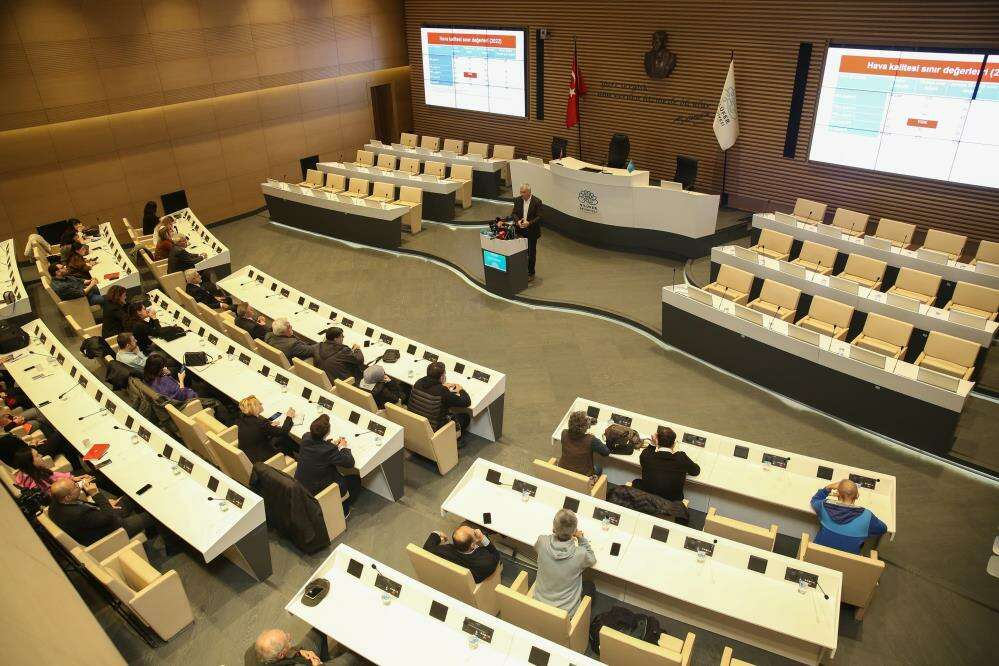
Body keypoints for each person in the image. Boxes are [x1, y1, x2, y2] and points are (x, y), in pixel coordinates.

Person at [48, 477, 157, 545]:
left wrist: (105, 504)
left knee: (133, 496)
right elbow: (110, 517)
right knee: (153, 515)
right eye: (76, 486)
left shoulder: (54, 505)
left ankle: (152, 531)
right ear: (67, 497)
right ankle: (161, 537)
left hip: (100, 518)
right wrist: (96, 494)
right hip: (114, 531)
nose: (80, 486)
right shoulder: (78, 514)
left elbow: (84, 506)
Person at [533, 509, 596, 615]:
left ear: (554, 528)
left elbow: (538, 548)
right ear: (574, 530)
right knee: (589, 585)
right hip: (566, 613)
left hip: (538, 603)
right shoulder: (580, 554)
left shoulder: (542, 541)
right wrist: (581, 539)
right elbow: (592, 559)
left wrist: (556, 531)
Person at [294, 415, 361, 514]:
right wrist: (343, 447)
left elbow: (318, 447)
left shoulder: (306, 437)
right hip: (319, 490)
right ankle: (344, 509)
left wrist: (329, 444)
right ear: (327, 432)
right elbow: (350, 462)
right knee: (355, 479)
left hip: (301, 485)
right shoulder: (328, 450)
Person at [810, 479, 887, 554]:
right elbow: (883, 529)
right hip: (847, 561)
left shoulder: (824, 506)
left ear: (837, 494)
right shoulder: (867, 516)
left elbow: (815, 500)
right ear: (857, 496)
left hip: (817, 556)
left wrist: (828, 488)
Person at [632, 426, 700, 502]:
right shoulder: (681, 458)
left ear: (657, 442)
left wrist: (652, 444)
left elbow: (644, 455)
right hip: (671, 505)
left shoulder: (647, 457)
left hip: (648, 502)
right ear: (674, 444)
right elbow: (696, 471)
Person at [409, 361, 471, 438]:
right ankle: (451, 440)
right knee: (465, 417)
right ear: (441, 377)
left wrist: (442, 385)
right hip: (434, 430)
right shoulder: (442, 392)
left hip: (416, 423)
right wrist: (461, 390)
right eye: (444, 374)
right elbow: (466, 402)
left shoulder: (418, 382)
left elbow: (432, 389)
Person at [423, 525, 500, 583]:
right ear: (472, 545)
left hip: (450, 580)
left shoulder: (441, 551)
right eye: (474, 533)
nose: (476, 530)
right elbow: (495, 554)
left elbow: (427, 548)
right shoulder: (485, 562)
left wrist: (437, 533)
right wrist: (483, 538)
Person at [237, 395, 296, 462]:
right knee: (285, 441)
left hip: (248, 456)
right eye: (259, 403)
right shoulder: (260, 423)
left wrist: (269, 427)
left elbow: (256, 431)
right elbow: (283, 432)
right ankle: (298, 459)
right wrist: (289, 417)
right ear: (255, 408)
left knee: (282, 439)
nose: (261, 404)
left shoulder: (242, 420)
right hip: (262, 460)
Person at [11, 447, 90, 495]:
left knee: (86, 474)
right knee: (93, 477)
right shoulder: (36, 484)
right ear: (30, 463)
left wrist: (72, 478)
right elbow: (59, 496)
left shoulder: (34, 471)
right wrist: (77, 483)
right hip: (69, 492)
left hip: (67, 484)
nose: (41, 455)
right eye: (37, 455)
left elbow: (53, 474)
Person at [558, 410, 611, 477]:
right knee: (599, 467)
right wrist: (592, 437)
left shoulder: (564, 433)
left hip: (563, 469)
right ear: (585, 427)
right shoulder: (591, 440)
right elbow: (606, 452)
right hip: (583, 475)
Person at [509, 183, 542, 282]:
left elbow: (539, 217)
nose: (521, 194)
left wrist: (529, 223)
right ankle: (522, 270)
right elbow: (514, 213)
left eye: (523, 192)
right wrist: (518, 221)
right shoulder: (518, 200)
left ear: (529, 192)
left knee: (531, 254)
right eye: (521, 192)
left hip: (532, 232)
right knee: (521, 252)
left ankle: (531, 273)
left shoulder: (537, 202)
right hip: (520, 231)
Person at [253, 629, 323, 665]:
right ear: (281, 655)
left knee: (318, 629)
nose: (289, 635)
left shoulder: (259, 652)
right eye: (287, 639)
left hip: (293, 657)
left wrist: (298, 652)